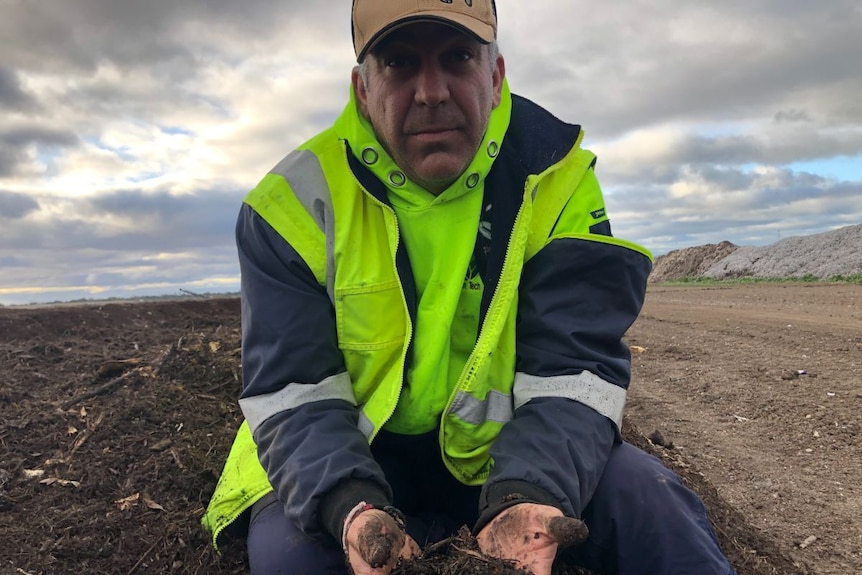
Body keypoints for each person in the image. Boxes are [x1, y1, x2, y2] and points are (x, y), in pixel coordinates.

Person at [203, 1, 737, 574]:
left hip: (510, 459)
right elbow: (294, 393)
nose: (431, 91)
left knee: (649, 498)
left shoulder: (556, 177)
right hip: (344, 464)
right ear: (362, 89)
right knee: (290, 557)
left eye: (457, 57)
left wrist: (524, 493)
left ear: (496, 74)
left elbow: (573, 373)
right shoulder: (290, 206)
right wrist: (350, 509)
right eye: (401, 63)